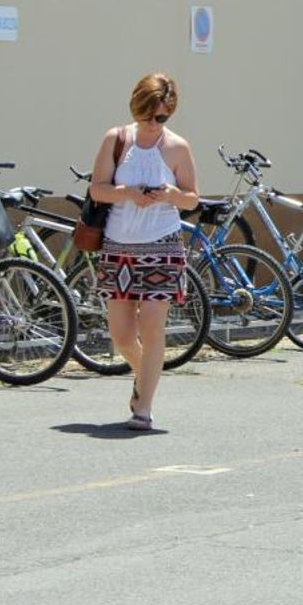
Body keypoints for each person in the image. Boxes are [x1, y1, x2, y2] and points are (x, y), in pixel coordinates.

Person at [88, 73, 200, 432]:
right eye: (146, 116)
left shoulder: (178, 147)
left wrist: (170, 194)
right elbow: (98, 190)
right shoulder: (117, 139)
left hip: (163, 244)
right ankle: (144, 375)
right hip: (118, 246)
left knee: (152, 326)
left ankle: (144, 407)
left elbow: (192, 198)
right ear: (135, 109)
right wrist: (128, 193)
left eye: (161, 118)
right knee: (121, 335)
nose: (152, 124)